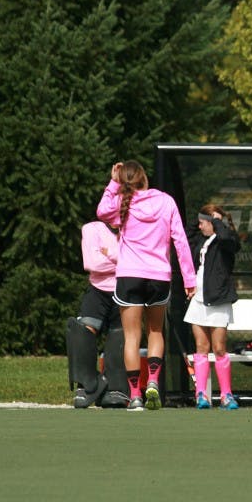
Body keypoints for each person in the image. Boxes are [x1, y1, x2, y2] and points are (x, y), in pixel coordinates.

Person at [96, 160, 196, 411]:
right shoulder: (165, 201)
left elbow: (101, 212)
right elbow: (180, 240)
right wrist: (189, 279)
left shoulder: (122, 202)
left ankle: (135, 395)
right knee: (155, 332)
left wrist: (113, 182)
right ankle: (152, 381)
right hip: (158, 277)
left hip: (129, 275)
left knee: (132, 336)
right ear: (144, 178)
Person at [65, 220, 129, 408]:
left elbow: (138, 261)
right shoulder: (91, 229)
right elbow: (92, 263)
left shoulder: (134, 229)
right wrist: (121, 259)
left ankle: (116, 387)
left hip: (125, 289)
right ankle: (87, 384)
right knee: (83, 330)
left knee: (121, 334)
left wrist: (108, 254)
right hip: (97, 290)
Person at [184, 205, 242, 410]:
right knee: (201, 348)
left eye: (204, 223)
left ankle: (226, 395)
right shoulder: (201, 239)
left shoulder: (226, 240)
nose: (200, 226)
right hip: (198, 300)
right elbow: (187, 233)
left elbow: (228, 240)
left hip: (219, 300)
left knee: (218, 348)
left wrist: (217, 221)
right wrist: (202, 216)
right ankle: (202, 395)